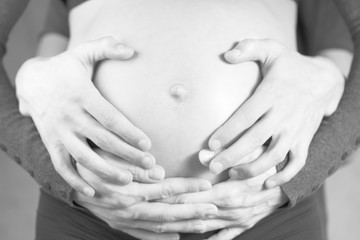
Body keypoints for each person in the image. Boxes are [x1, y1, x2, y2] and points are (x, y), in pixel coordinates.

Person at [0, 0, 356, 239]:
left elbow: (329, 77)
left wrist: (296, 178)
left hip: (265, 215)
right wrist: (60, 173)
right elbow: (49, 89)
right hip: (90, 214)